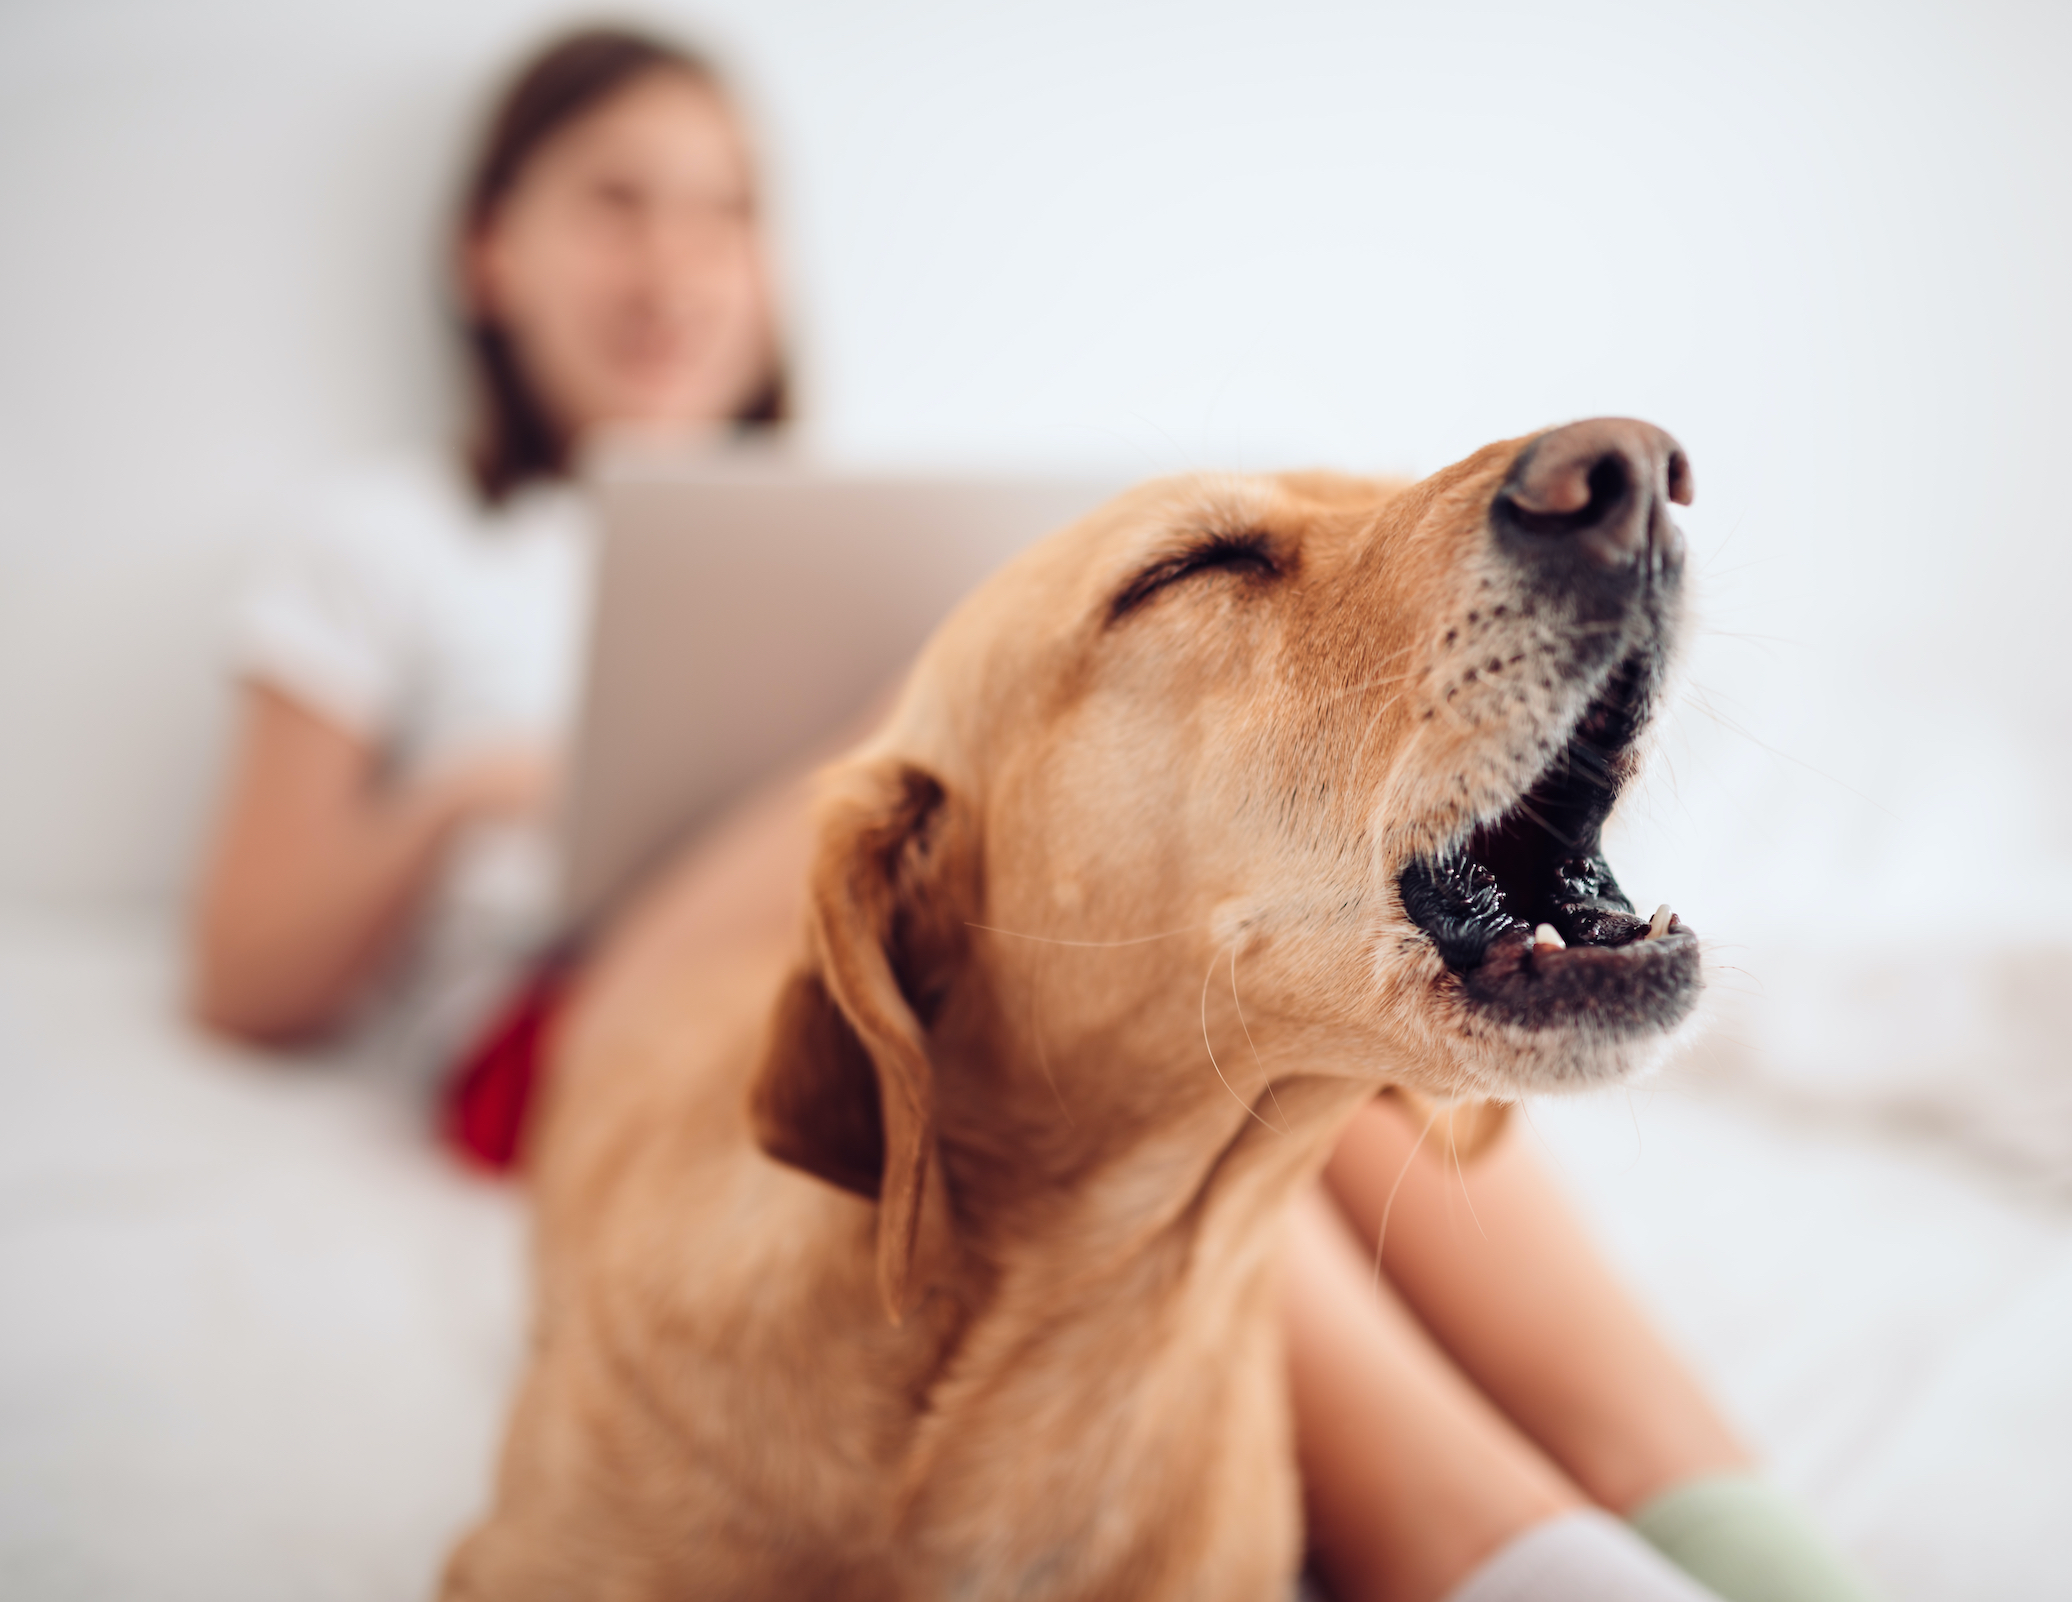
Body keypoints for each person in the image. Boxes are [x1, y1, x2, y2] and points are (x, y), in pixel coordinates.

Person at [187, 26, 1873, 1602]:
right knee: (1107, 1089)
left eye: (723, 211)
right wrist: (479, 794)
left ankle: (1743, 1535)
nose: (674, 261)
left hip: (975, 899)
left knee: (1279, 1011)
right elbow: (247, 962)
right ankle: (1523, 1556)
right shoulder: (394, 539)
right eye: (615, 204)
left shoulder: (860, 509)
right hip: (593, 991)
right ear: (489, 256)